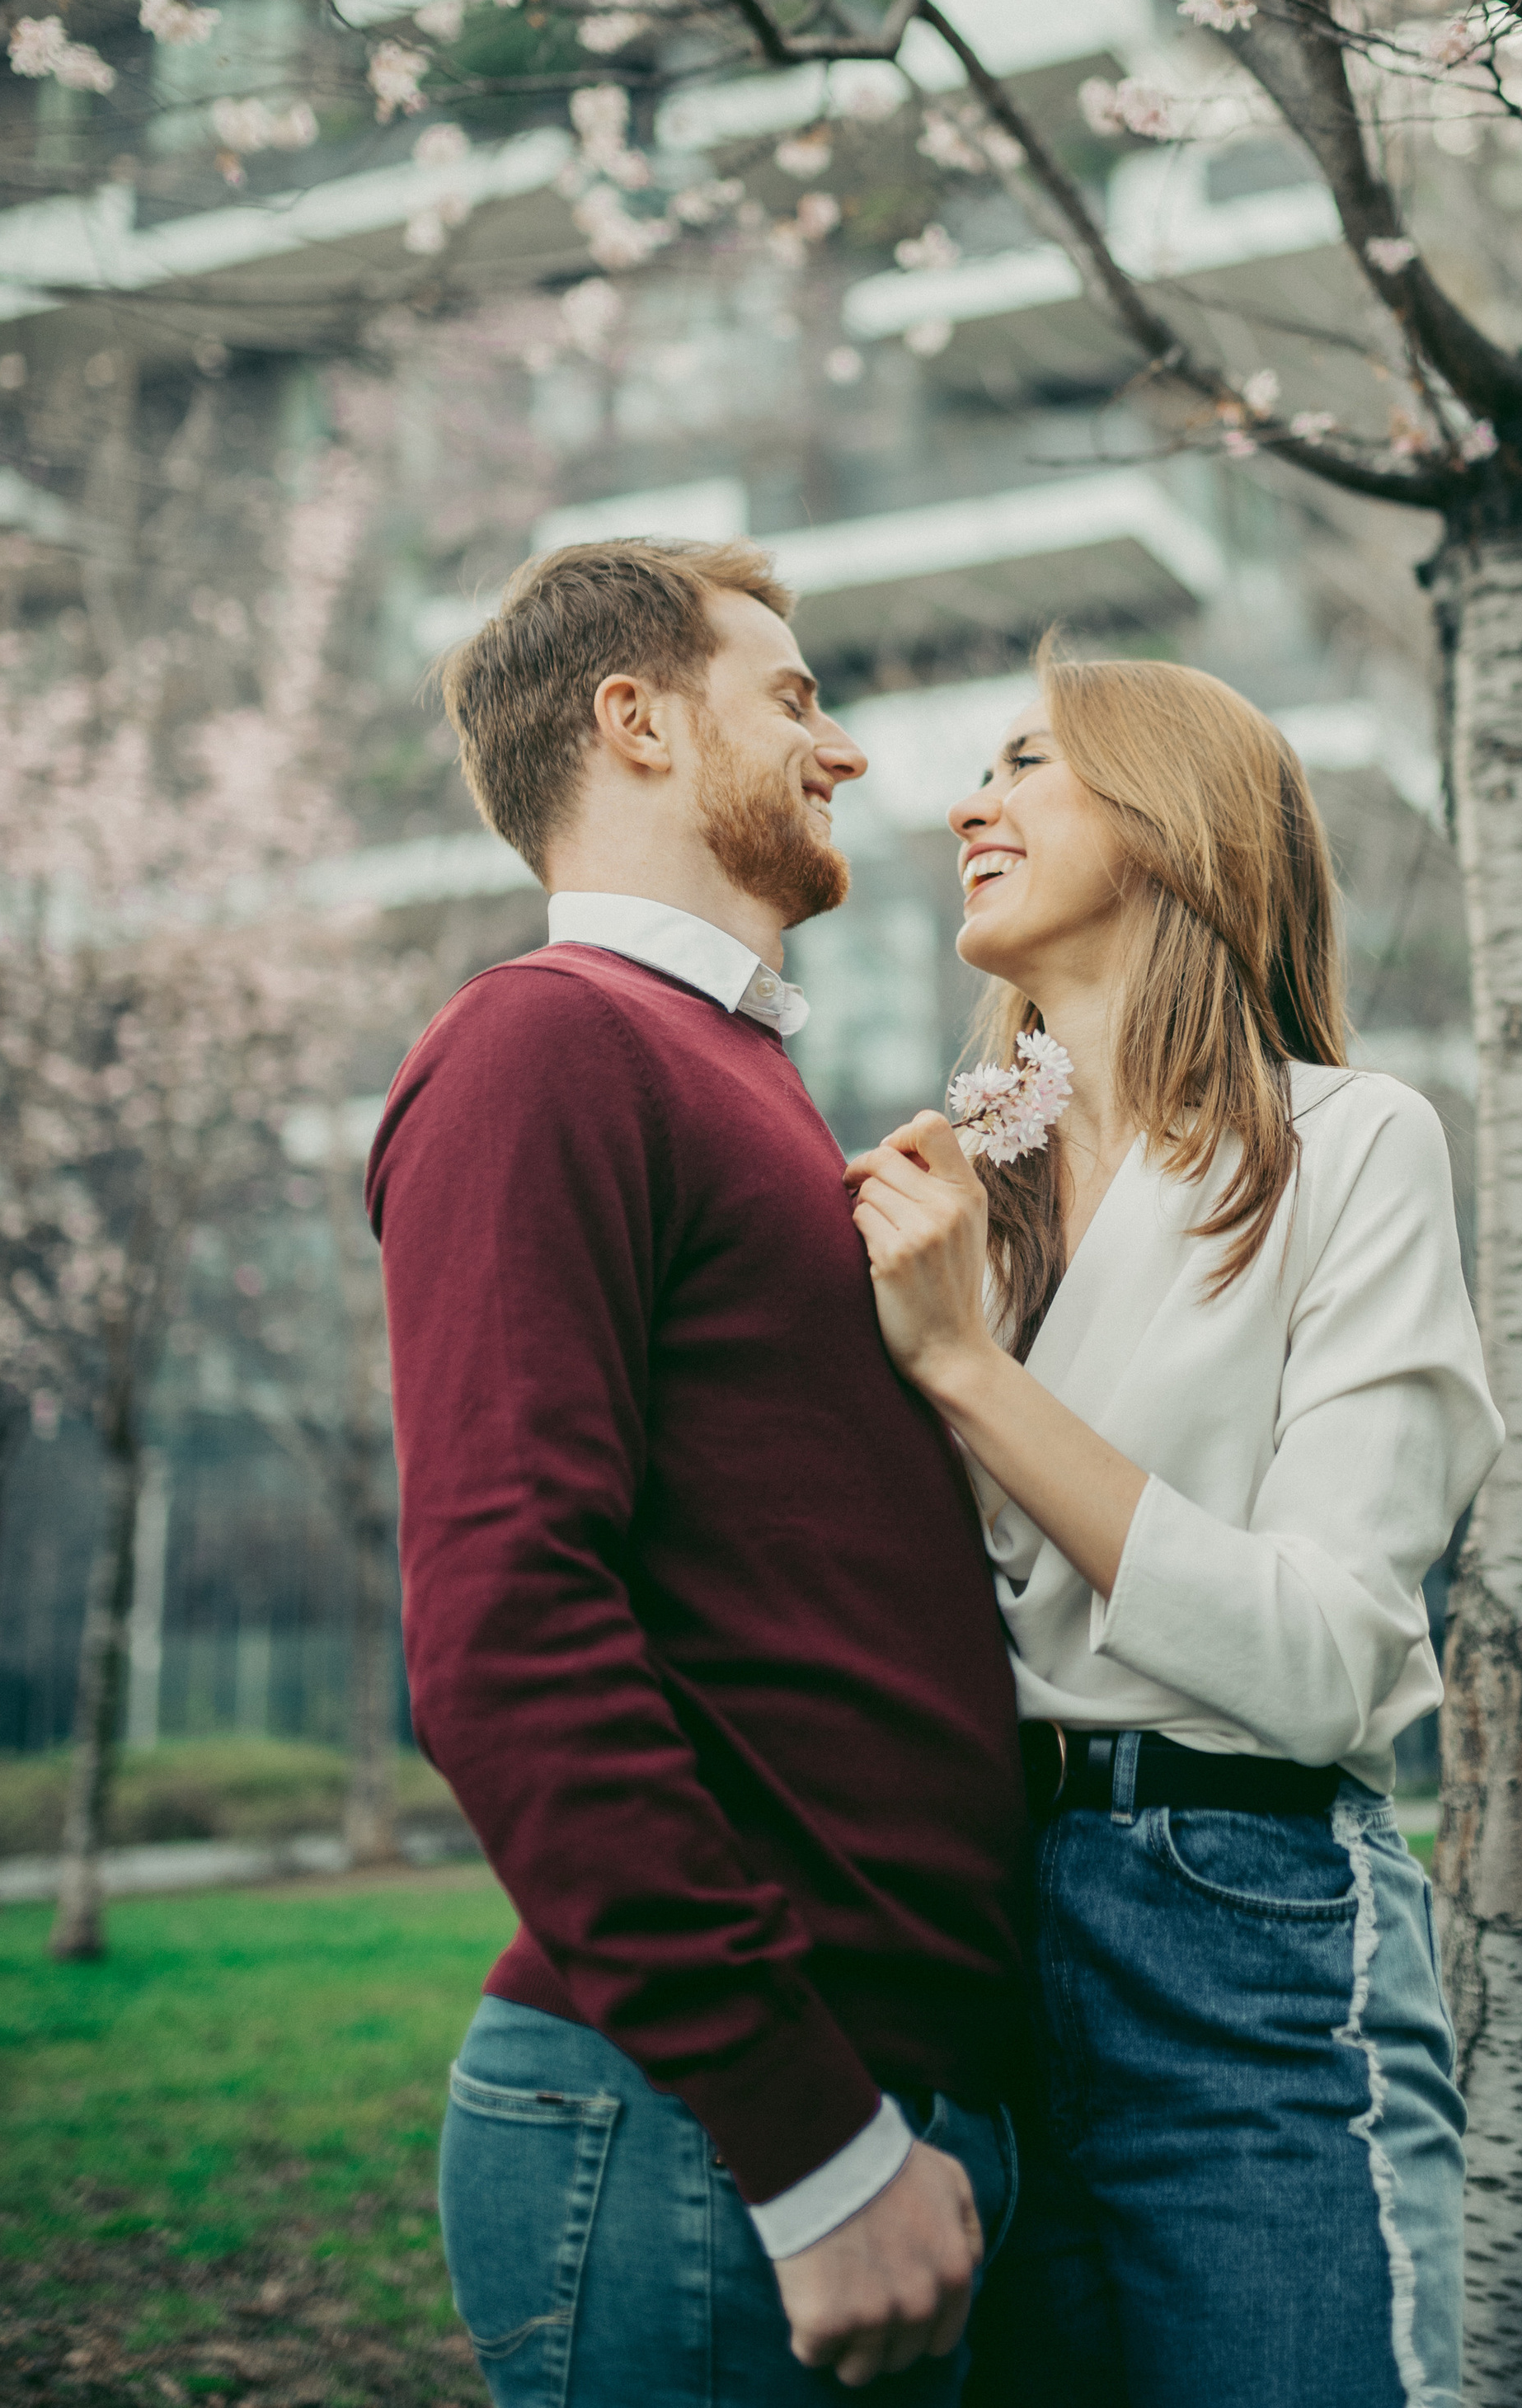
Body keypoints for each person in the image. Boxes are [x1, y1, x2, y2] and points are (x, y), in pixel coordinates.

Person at [368, 538, 1028, 2406]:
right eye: (794, 698)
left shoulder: (730, 1073)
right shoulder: (543, 1042)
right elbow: (504, 1629)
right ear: (636, 721)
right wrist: (807, 2142)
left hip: (862, 2113)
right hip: (707, 2144)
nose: (849, 752)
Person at [845, 651, 1504, 2408]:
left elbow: (1323, 1660)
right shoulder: (949, 1202)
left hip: (1247, 1947)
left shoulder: (1346, 1147)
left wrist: (967, 1375)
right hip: (972, 1962)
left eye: (1025, 763)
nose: (968, 804)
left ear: (1170, 819)